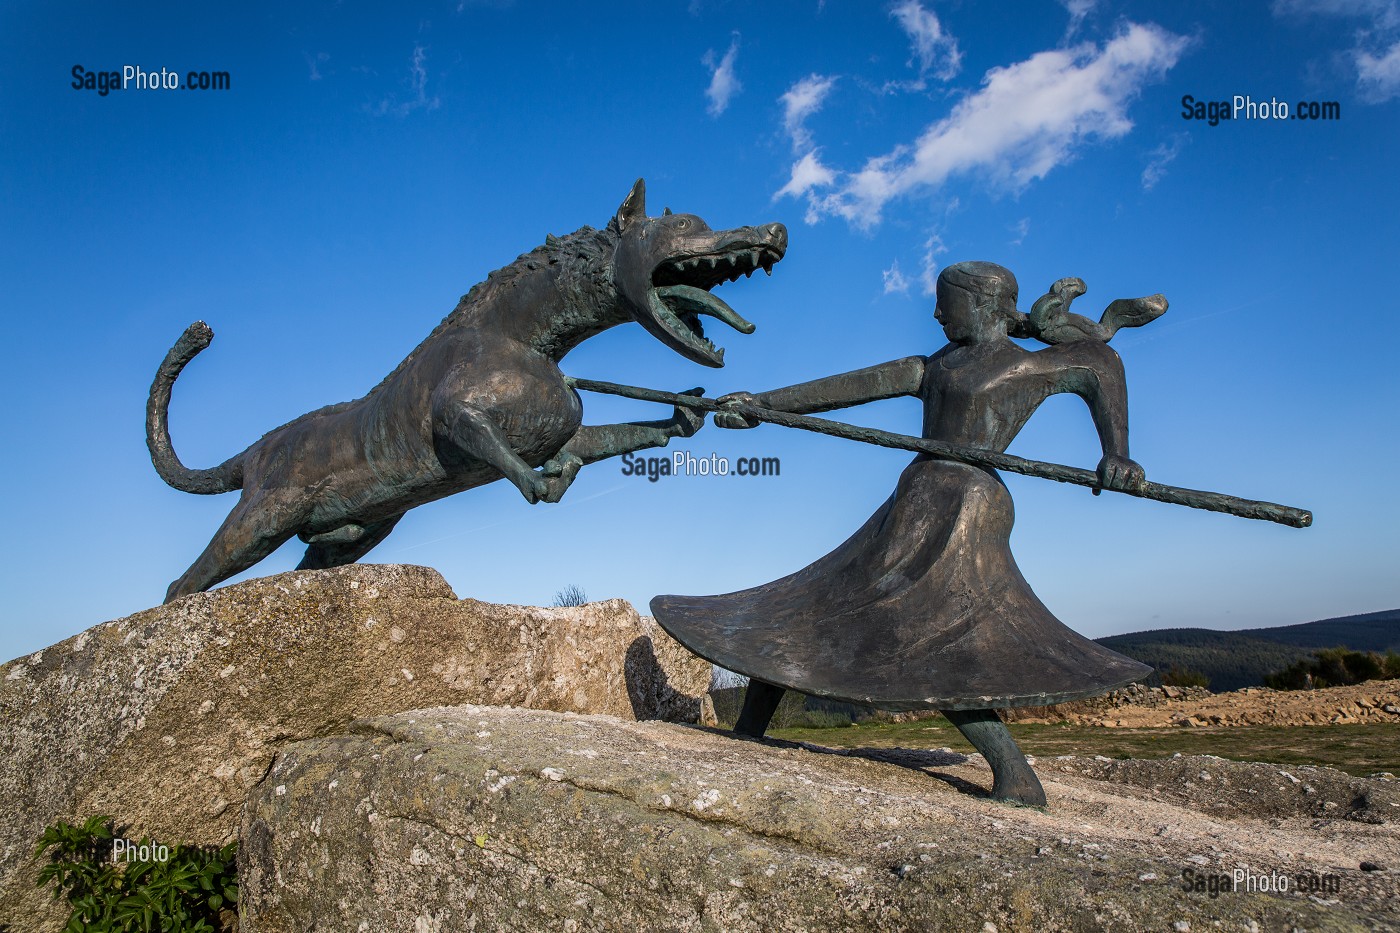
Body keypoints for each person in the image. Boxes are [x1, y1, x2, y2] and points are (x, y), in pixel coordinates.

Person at [649, 261, 1154, 807]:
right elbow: (848, 388)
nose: (936, 313)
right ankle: (749, 733)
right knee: (812, 602)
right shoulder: (934, 366)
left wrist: (1117, 453)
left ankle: (1015, 776)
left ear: (983, 305)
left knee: (933, 634)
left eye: (946, 303)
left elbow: (1101, 364)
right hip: (917, 497)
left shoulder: (1027, 366)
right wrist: (761, 406)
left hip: (967, 506)